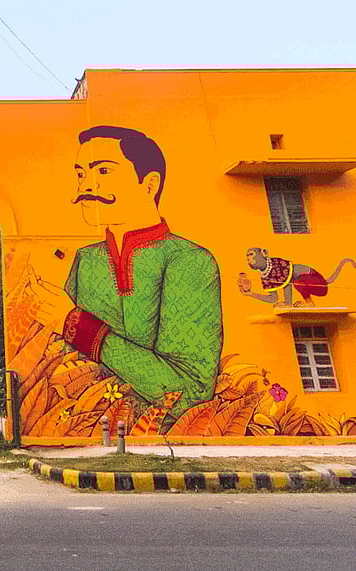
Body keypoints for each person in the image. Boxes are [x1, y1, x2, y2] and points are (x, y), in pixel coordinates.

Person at [29, 126, 223, 426]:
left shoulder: (189, 261)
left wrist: (78, 327)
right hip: (92, 431)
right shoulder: (87, 259)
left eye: (103, 171)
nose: (86, 185)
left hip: (160, 438)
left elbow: (189, 393)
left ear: (149, 185)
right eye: (80, 173)